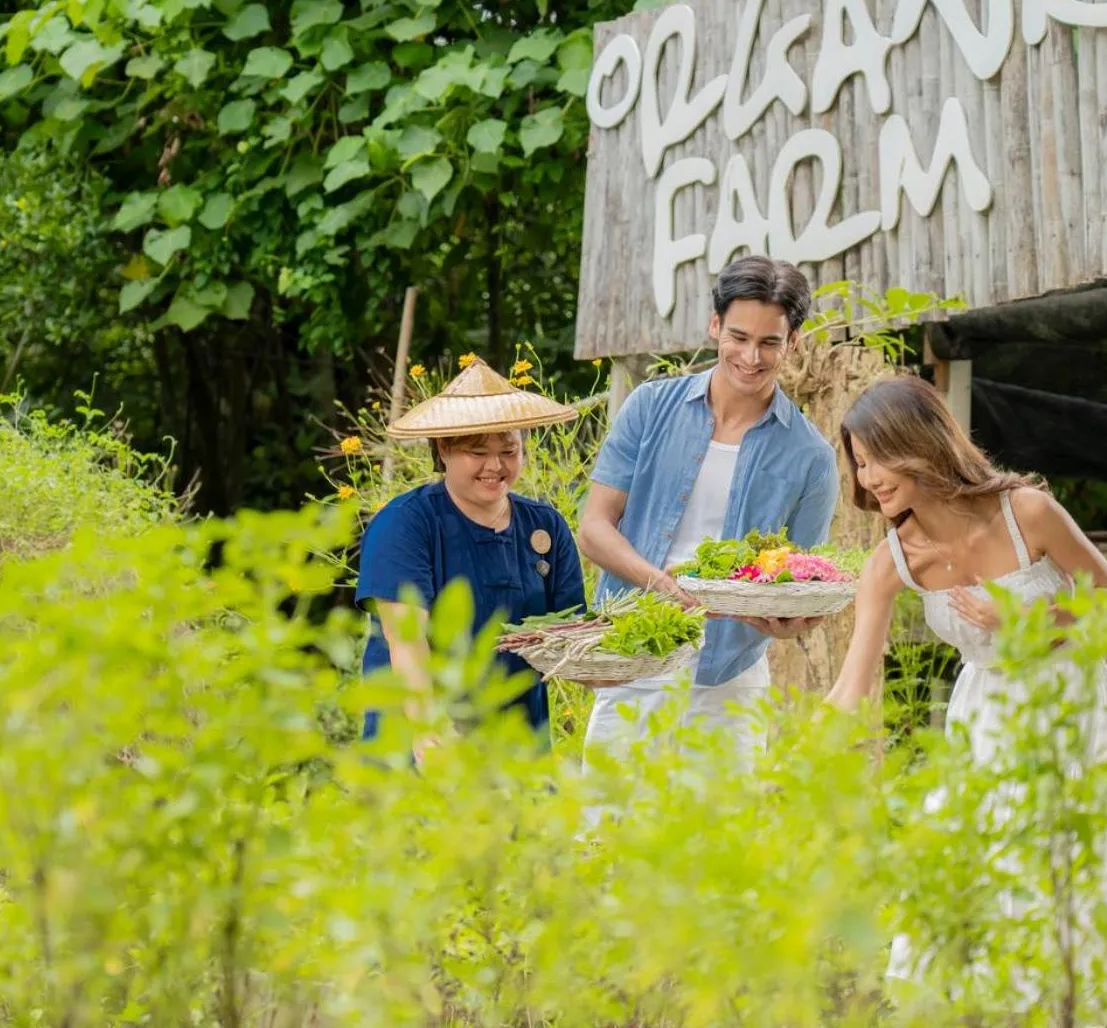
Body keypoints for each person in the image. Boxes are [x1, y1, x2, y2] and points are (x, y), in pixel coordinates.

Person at [825, 375, 1107, 1020]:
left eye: (876, 457)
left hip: (1068, 707)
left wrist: (1027, 624)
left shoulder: (1026, 512)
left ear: (919, 445)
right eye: (859, 463)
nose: (868, 478)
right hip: (983, 715)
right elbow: (851, 684)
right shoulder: (894, 558)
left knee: (1063, 864)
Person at [577, 255, 839, 765]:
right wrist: (661, 585)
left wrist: (791, 620)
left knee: (718, 841)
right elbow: (593, 529)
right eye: (738, 337)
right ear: (715, 324)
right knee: (607, 836)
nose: (751, 357)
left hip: (729, 679)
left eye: (769, 342)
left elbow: (802, 580)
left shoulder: (811, 458)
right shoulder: (650, 408)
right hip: (634, 657)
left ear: (794, 342)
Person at [354, 359, 586, 761]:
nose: (495, 467)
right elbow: (406, 639)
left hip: (518, 746)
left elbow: (572, 635)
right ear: (444, 449)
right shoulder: (407, 524)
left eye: (509, 451)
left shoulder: (545, 525)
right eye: (478, 452)